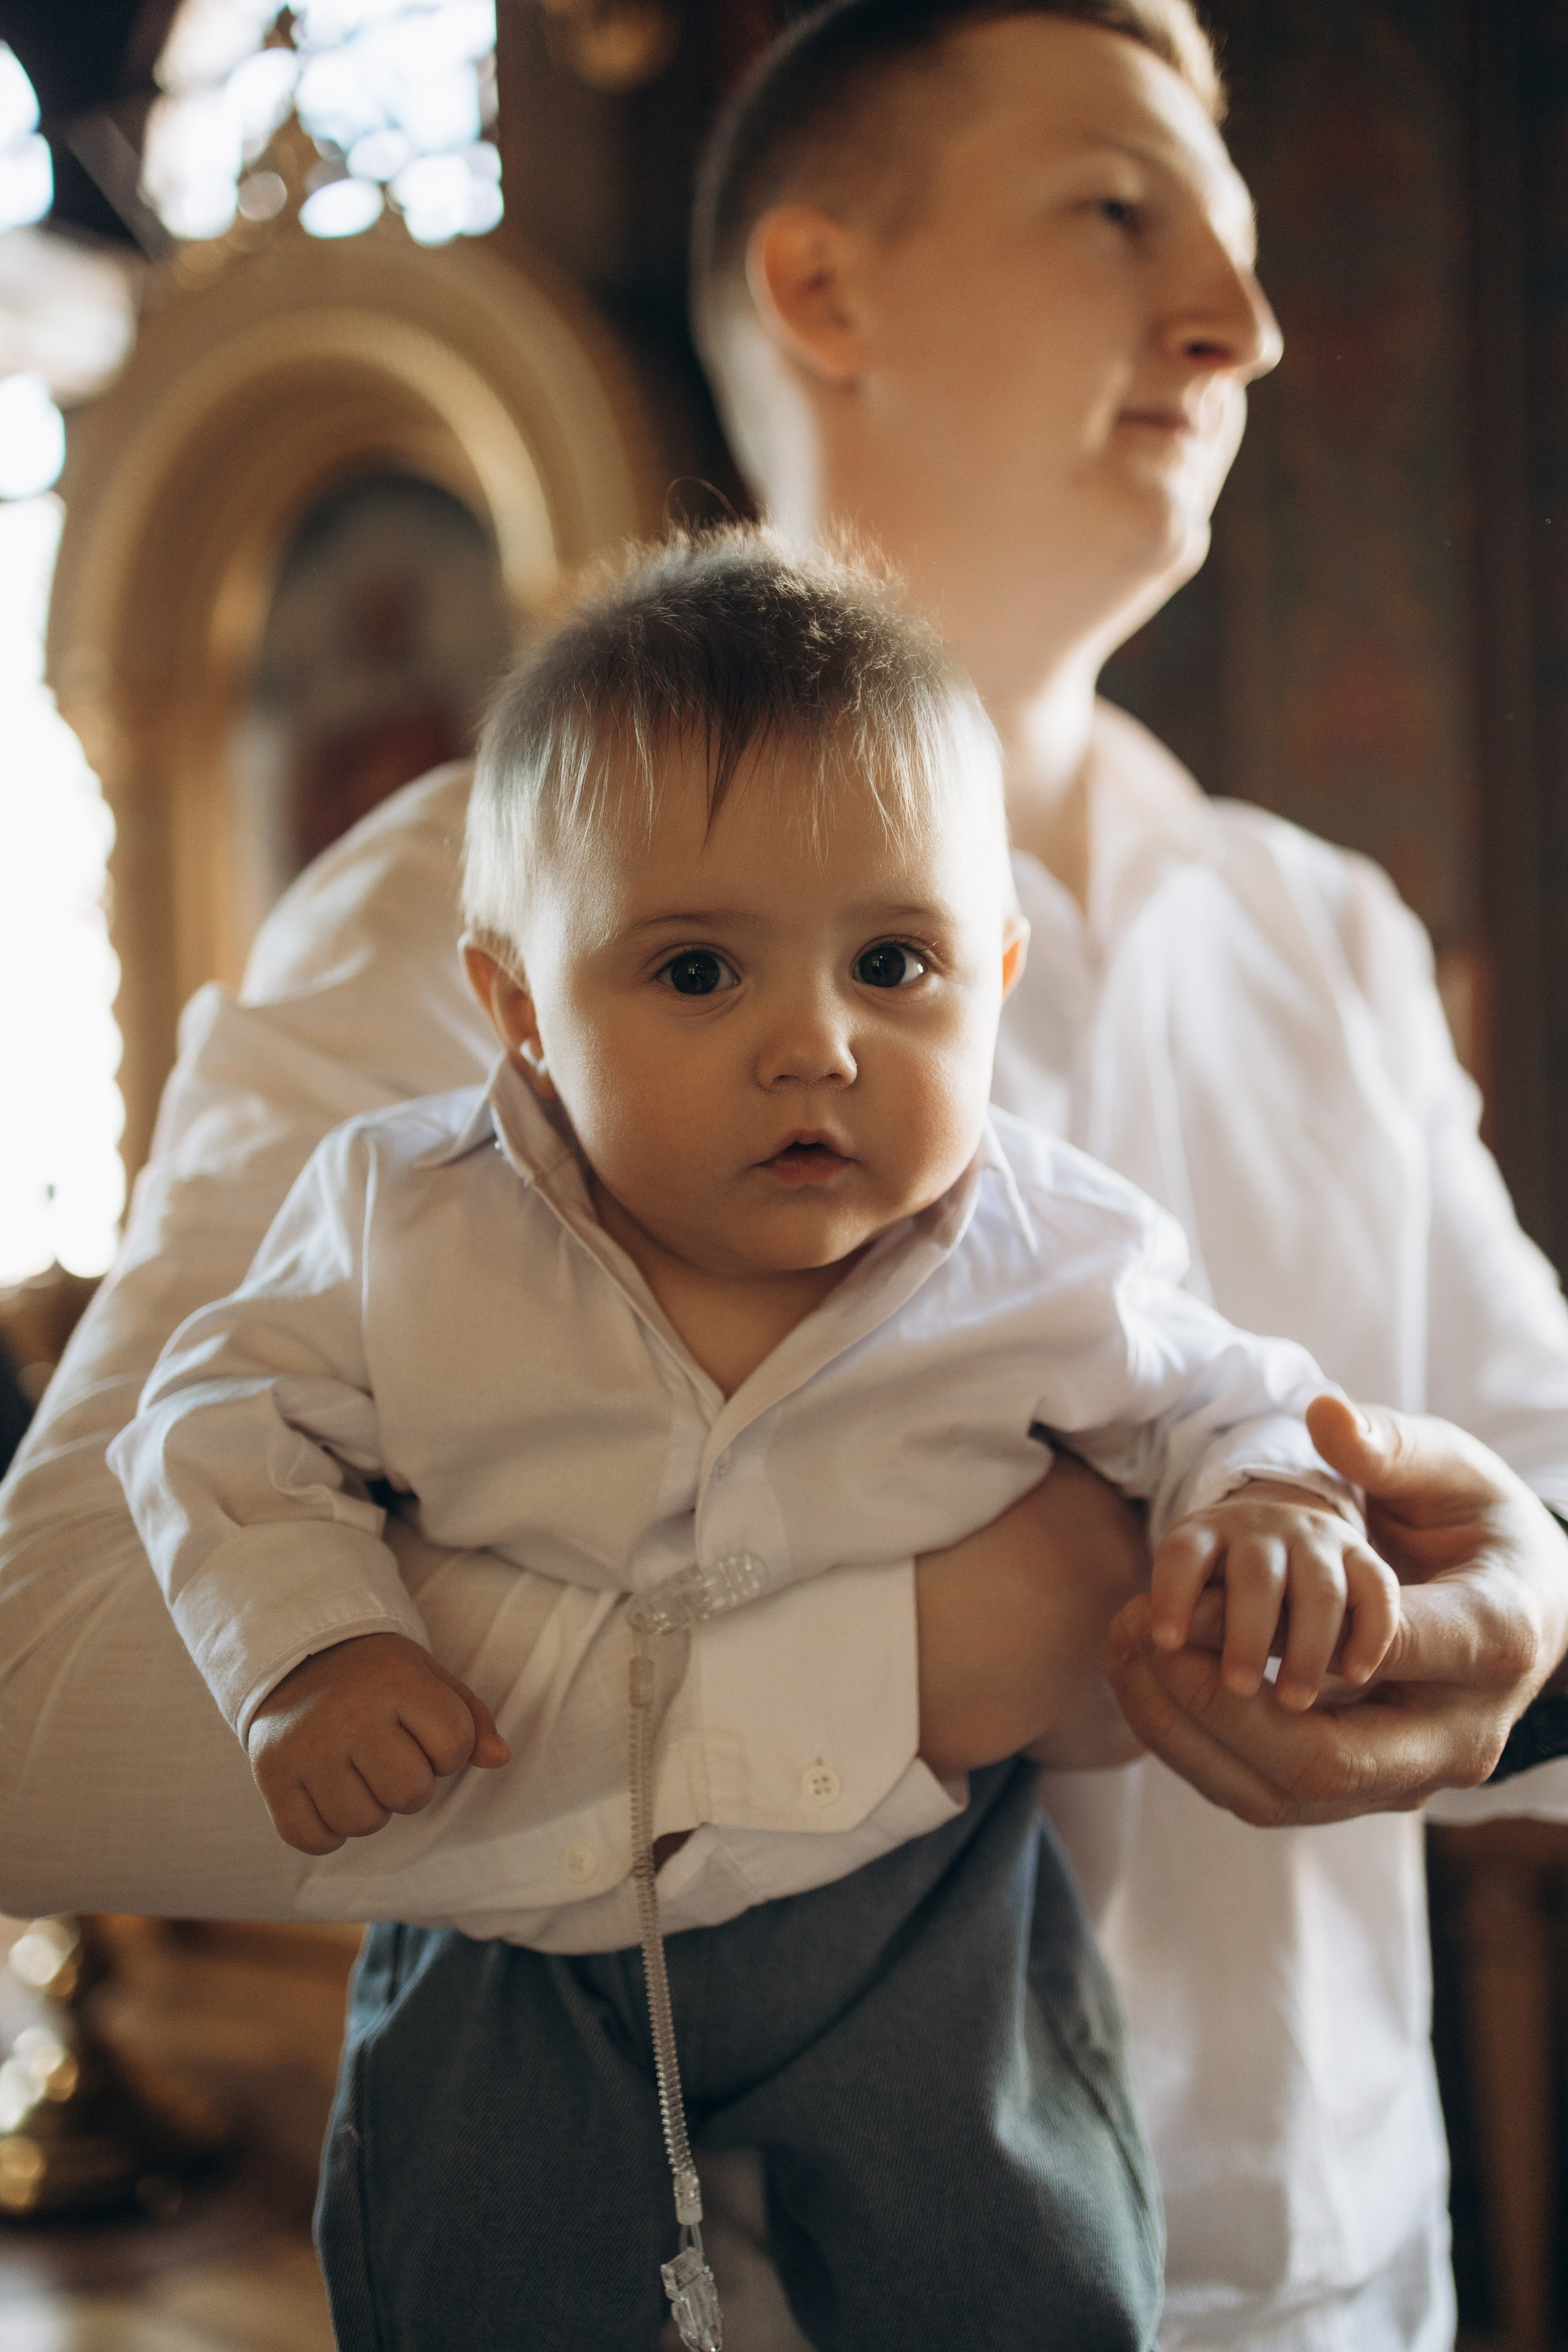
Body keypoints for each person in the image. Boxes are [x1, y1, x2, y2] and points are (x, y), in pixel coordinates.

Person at [0, 0, 1565, 2345]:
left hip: (1339, 2291)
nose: (1246, 322)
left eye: (1245, 254)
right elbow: (46, 1714)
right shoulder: (472, 911)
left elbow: (1538, 1492)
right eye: (1122, 211)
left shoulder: (1321, 929)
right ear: (827, 293)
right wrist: (940, 1659)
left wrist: (1523, 1643)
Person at [111, 531, 1392, 2350]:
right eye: (700, 973)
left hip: (916, 1898)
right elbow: (220, 1419)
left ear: (998, 970)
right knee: (465, 2257)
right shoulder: (410, 1222)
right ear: (523, 1014)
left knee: (1022, 2267)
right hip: (521, 1905)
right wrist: (310, 1648)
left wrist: (1265, 1498)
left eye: (894, 961)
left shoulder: (1051, 1248)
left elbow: (1216, 1390)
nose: (817, 1045)